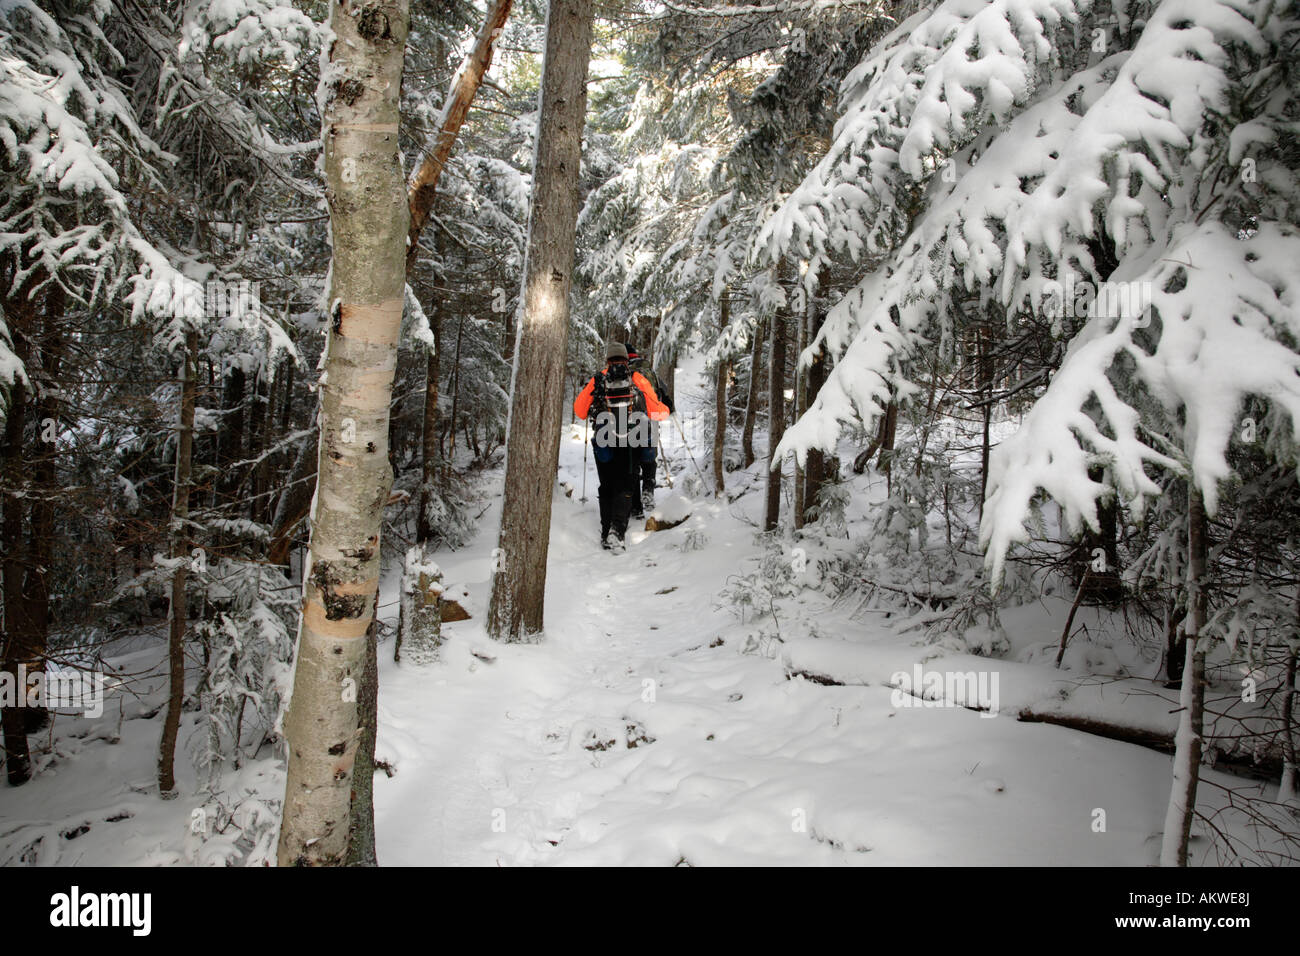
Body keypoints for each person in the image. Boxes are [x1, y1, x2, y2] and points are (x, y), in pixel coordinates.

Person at [574, 341, 669, 550]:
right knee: (626, 484)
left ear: (607, 359)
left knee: (607, 486)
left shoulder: (598, 379)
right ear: (627, 359)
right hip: (631, 439)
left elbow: (579, 411)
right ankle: (617, 532)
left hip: (604, 440)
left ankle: (605, 532)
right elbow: (658, 412)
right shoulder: (637, 379)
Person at [625, 344, 674, 518]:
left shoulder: (622, 371)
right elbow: (664, 394)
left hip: (627, 424)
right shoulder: (649, 371)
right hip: (650, 421)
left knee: (633, 464)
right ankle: (648, 489)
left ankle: (635, 507)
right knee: (649, 459)